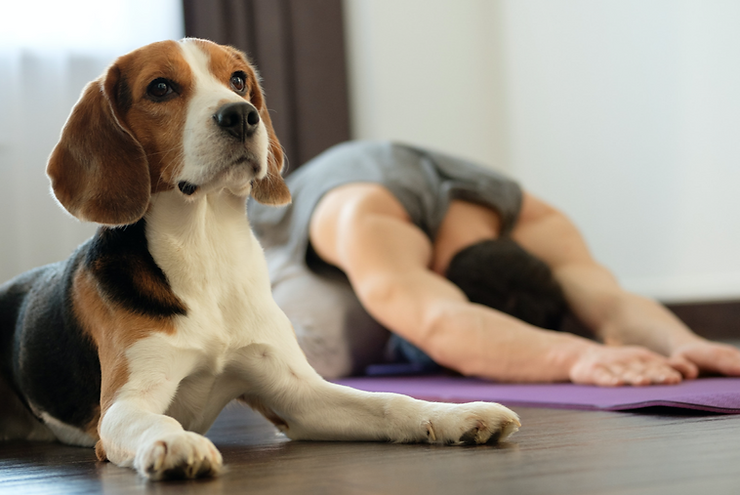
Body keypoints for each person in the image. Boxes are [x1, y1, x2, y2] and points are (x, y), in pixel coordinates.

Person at [248, 141, 740, 386]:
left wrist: (685, 342)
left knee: (401, 312)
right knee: (332, 347)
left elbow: (609, 301)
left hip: (390, 239)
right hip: (277, 243)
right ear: (440, 280)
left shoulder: (536, 222)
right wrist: (575, 357)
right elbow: (440, 322)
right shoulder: (370, 220)